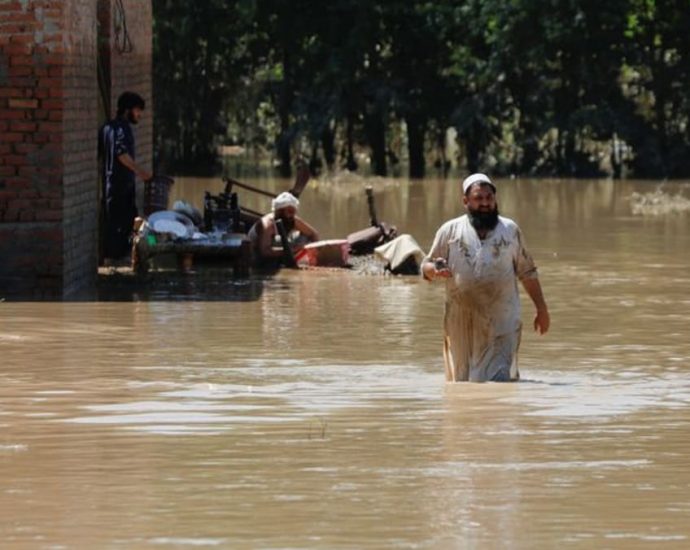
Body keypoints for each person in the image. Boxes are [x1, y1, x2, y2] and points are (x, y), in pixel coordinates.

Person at [421, 173, 550, 382]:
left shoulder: (510, 231)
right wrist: (434, 270)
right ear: (466, 201)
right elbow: (425, 265)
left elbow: (527, 272)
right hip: (461, 322)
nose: (485, 204)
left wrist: (541, 309)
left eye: (489, 198)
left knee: (499, 381)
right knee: (462, 383)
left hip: (503, 321)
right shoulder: (450, 231)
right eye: (478, 198)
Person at [100, 91, 152, 263]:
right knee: (121, 228)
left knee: (126, 225)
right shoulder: (121, 129)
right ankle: (117, 263)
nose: (139, 115)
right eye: (137, 110)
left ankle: (123, 258)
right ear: (127, 110)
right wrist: (141, 172)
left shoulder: (107, 127)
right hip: (120, 188)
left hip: (112, 188)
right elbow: (121, 154)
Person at [248, 191, 319, 266]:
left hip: (282, 249)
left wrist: (314, 251)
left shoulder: (292, 220)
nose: (292, 215)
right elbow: (265, 251)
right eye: (289, 211)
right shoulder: (268, 224)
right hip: (258, 255)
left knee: (304, 237)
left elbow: (313, 234)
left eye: (293, 212)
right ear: (280, 211)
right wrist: (291, 250)